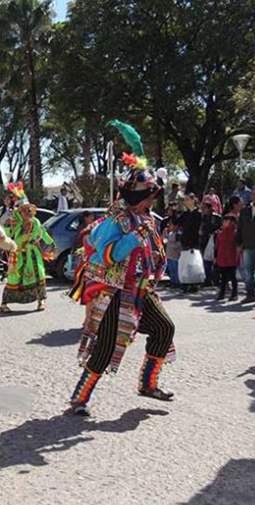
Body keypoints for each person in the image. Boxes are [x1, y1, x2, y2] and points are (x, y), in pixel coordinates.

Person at [68, 122, 175, 417]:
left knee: (165, 328)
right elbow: (109, 255)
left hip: (140, 288)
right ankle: (80, 398)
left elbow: (151, 253)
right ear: (138, 198)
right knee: (106, 346)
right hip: (113, 290)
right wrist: (136, 237)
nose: (152, 203)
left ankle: (147, 383)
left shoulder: (144, 217)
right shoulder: (115, 221)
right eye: (149, 198)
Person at [0, 182, 54, 313]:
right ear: (20, 211)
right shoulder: (14, 222)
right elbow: (7, 236)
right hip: (17, 255)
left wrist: (51, 244)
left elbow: (43, 233)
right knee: (13, 278)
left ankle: (41, 301)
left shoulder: (35, 222)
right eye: (24, 210)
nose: (27, 212)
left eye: (29, 209)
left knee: (39, 275)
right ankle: (4, 304)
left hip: (33, 254)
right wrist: (7, 227)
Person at [175, 193, 202, 293]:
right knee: (185, 263)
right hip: (185, 240)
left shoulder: (198, 213)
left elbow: (197, 227)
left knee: (194, 263)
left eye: (187, 199)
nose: (185, 202)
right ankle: (186, 284)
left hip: (194, 241)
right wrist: (174, 211)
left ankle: (194, 284)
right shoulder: (185, 214)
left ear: (192, 200)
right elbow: (176, 222)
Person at [216, 215, 239, 301]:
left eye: (227, 221)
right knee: (223, 278)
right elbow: (217, 246)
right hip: (222, 258)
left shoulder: (235, 233)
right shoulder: (220, 233)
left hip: (232, 258)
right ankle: (221, 294)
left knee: (233, 277)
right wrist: (216, 257)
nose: (225, 223)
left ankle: (234, 294)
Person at [199, 202, 222, 286]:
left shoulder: (217, 217)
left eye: (205, 208)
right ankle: (207, 279)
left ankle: (216, 279)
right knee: (206, 262)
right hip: (204, 241)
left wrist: (214, 233)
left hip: (214, 241)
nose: (203, 210)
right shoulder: (202, 218)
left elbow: (220, 228)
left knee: (216, 262)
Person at [161, 204, 181, 288]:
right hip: (169, 254)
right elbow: (164, 239)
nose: (170, 226)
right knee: (171, 269)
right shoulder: (170, 233)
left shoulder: (178, 234)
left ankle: (177, 282)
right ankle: (172, 281)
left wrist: (170, 244)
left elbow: (178, 244)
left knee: (176, 269)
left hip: (175, 255)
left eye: (171, 225)